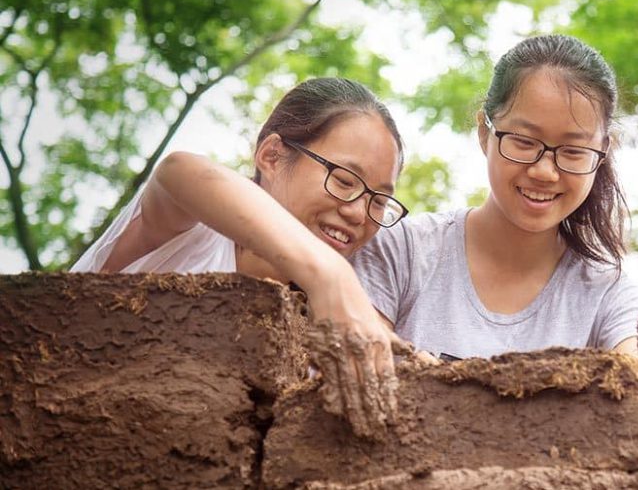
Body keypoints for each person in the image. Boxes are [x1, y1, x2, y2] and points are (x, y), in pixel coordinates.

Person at [351, 35, 638, 445]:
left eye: (572, 151)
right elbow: (358, 370)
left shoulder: (606, 293)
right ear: (485, 132)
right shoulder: (401, 251)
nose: (545, 171)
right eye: (525, 142)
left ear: (604, 152)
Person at [72, 77, 409, 437]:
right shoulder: (193, 235)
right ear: (272, 156)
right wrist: (331, 276)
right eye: (344, 181)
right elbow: (178, 170)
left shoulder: (311, 331)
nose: (359, 213)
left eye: (379, 202)